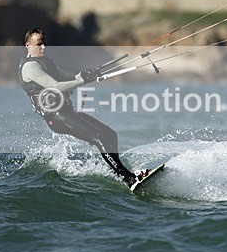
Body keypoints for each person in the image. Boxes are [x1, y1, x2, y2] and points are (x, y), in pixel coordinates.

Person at [18, 28, 147, 189]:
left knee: (110, 135)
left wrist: (87, 74)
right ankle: (127, 179)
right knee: (99, 137)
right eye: (39, 44)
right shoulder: (30, 67)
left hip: (67, 113)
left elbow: (68, 78)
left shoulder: (46, 62)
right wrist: (82, 81)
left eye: (45, 43)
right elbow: (56, 86)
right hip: (57, 117)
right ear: (28, 45)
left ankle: (119, 172)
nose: (43, 47)